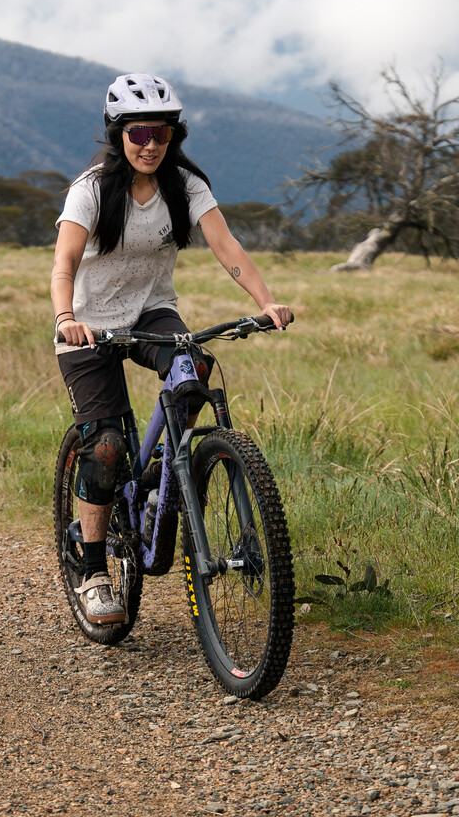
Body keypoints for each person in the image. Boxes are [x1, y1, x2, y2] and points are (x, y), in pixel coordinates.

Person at [50, 72, 295, 626]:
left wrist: (267, 301)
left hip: (151, 313)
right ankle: (92, 572)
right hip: (88, 328)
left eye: (161, 133)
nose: (150, 145)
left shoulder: (184, 186)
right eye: (138, 134)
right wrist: (67, 318)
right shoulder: (90, 190)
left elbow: (224, 242)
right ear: (118, 135)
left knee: (194, 368)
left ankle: (167, 480)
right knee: (107, 446)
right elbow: (64, 263)